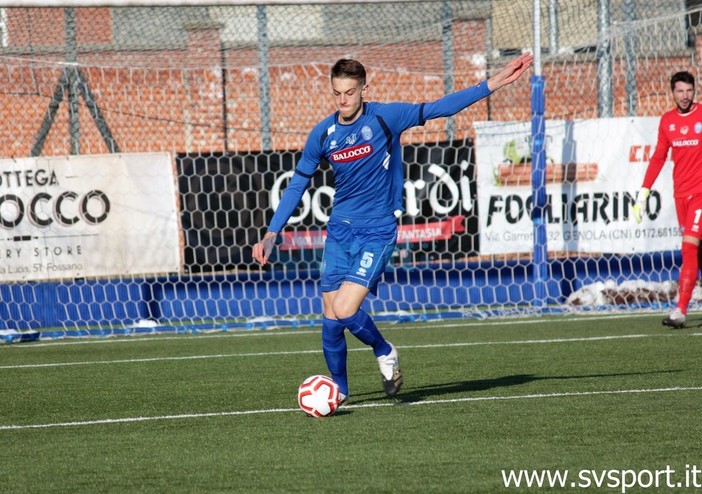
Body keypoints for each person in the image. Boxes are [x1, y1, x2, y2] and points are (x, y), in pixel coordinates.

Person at [252, 52, 534, 403]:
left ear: (364, 89)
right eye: (337, 93)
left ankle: (385, 351)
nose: (343, 100)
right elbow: (297, 184)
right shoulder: (323, 134)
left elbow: (439, 108)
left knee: (344, 309)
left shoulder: (386, 117)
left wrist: (492, 83)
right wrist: (272, 231)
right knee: (329, 318)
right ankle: (339, 389)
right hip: (340, 230)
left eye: (350, 93)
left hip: (378, 231)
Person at [633, 70, 702, 329]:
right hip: (680, 196)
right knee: (697, 254)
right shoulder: (668, 121)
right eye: (680, 91)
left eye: (689, 91)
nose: (685, 96)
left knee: (689, 248)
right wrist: (643, 193)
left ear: (694, 91)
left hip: (700, 195)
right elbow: (659, 157)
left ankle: (679, 311)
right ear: (672, 93)